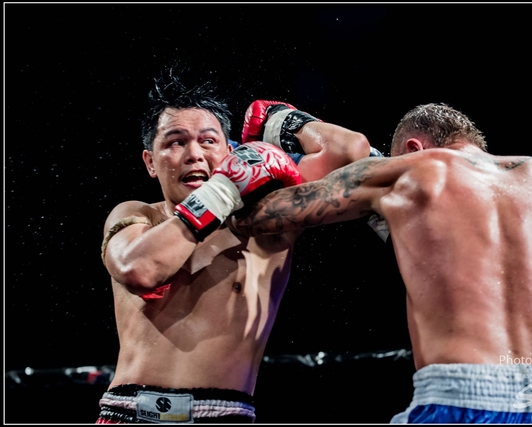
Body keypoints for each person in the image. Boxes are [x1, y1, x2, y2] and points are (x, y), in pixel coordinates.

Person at [230, 103, 532, 423]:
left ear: (412, 148)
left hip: (462, 397)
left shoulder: (409, 172)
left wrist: (288, 126)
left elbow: (254, 218)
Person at [97, 66, 371, 424]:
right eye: (176, 142)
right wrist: (220, 193)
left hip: (223, 413)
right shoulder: (137, 215)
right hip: (128, 412)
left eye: (208, 141)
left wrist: (282, 119)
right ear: (150, 161)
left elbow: (350, 153)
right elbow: (139, 269)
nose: (194, 154)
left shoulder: (266, 220)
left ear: (231, 152)